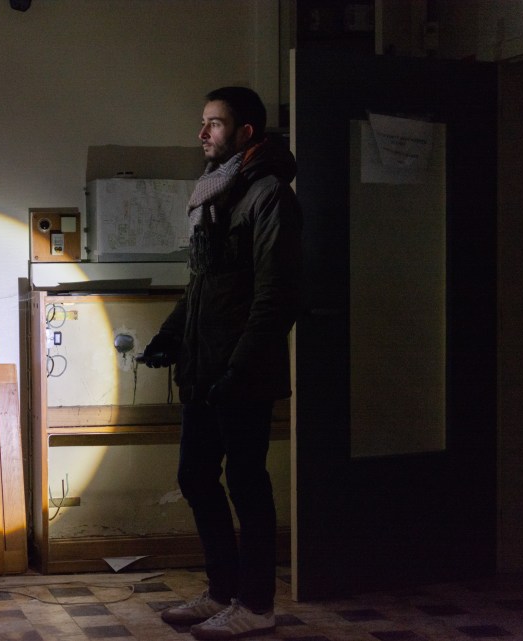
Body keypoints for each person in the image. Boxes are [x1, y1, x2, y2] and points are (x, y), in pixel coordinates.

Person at [139, 86, 302, 640]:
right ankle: (221, 591)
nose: (202, 132)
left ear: (245, 132)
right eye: (203, 122)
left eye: (214, 123)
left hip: (241, 371)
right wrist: (170, 335)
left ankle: (256, 605)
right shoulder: (216, 193)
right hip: (204, 367)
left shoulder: (269, 195)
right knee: (195, 475)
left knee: (247, 482)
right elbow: (205, 284)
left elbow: (276, 295)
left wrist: (240, 368)